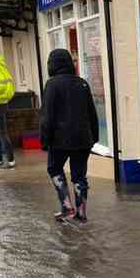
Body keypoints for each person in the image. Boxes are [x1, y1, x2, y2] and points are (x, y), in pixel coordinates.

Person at [40, 49, 99, 223]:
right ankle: (81, 212)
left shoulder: (52, 84)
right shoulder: (82, 83)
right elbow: (91, 113)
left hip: (60, 139)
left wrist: (44, 139)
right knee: (79, 175)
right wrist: (94, 136)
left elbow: (47, 116)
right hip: (83, 139)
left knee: (54, 168)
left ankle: (66, 206)